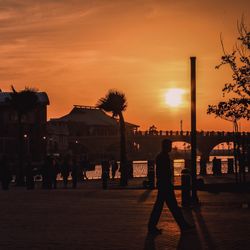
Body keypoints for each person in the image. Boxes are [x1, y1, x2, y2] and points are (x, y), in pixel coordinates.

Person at [148, 139, 193, 235]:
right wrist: (167, 183)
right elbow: (163, 173)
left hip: (164, 185)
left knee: (164, 207)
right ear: (165, 146)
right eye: (169, 146)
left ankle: (152, 226)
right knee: (170, 206)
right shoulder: (162, 157)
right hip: (165, 185)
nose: (171, 148)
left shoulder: (162, 156)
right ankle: (183, 225)